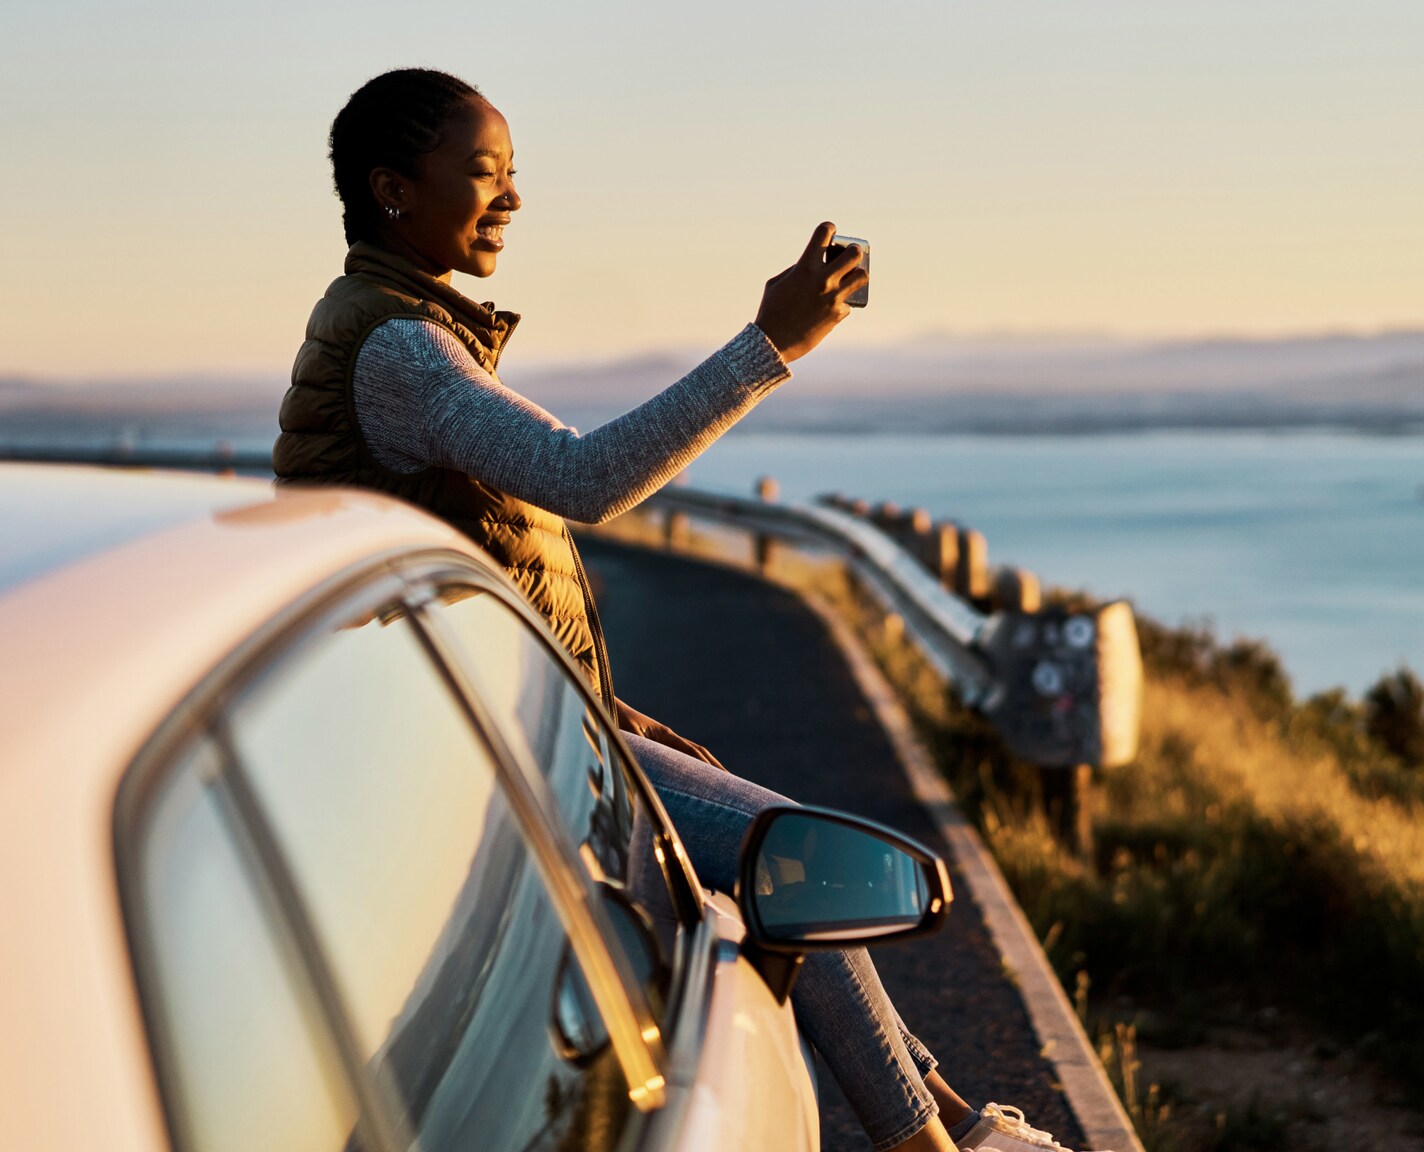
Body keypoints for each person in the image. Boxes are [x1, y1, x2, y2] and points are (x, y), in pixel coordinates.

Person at [277, 67, 1084, 1152]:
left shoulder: (403, 330)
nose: (512, 200)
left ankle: (948, 1121)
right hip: (484, 746)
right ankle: (932, 1146)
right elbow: (587, 477)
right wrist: (771, 348)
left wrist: (603, 713)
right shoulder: (400, 352)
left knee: (785, 852)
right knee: (789, 857)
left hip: (518, 723)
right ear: (390, 189)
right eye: (482, 175)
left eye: (514, 175)